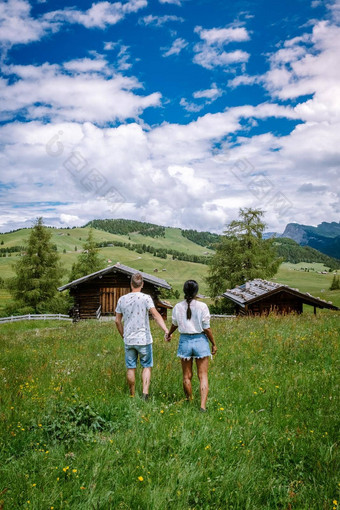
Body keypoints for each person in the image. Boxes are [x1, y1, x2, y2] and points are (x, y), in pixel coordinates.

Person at [115, 272, 169, 400]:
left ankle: (132, 395)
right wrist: (165, 330)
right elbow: (156, 315)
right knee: (146, 366)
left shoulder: (122, 299)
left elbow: (117, 321)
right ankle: (145, 394)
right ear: (142, 284)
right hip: (144, 339)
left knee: (131, 367)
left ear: (131, 284)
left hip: (129, 339)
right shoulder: (146, 298)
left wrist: (123, 335)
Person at [165, 280, 217, 412]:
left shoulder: (177, 307)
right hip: (200, 340)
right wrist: (214, 344)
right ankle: (202, 406)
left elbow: (175, 324)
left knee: (187, 376)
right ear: (196, 292)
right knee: (203, 376)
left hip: (185, 341)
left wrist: (169, 334)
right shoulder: (202, 306)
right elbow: (207, 328)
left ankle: (189, 400)